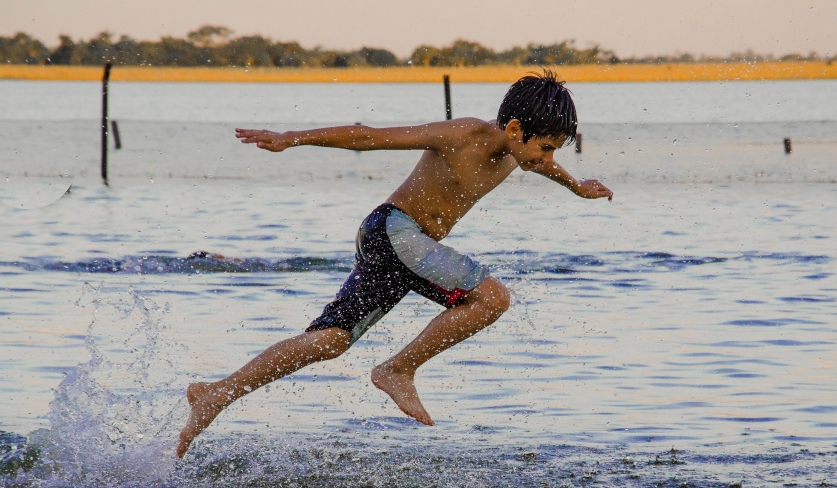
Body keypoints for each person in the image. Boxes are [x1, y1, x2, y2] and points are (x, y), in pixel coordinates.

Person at [177, 70, 613, 458]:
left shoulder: (518, 154)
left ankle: (218, 393)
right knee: (492, 297)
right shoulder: (462, 135)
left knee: (331, 340)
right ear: (515, 129)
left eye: (554, 151)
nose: (547, 159)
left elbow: (542, 168)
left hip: (396, 246)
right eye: (546, 148)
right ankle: (397, 369)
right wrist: (294, 138)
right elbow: (368, 137)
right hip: (395, 232)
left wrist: (576, 187)